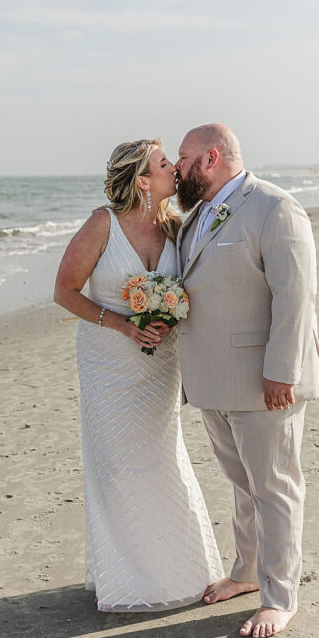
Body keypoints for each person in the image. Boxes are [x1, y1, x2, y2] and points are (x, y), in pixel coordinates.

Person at [174, 124, 319, 638]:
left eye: (184, 158)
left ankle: (280, 598)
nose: (177, 167)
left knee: (275, 488)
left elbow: (295, 296)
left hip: (266, 382)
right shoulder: (197, 214)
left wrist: (282, 371)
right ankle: (245, 572)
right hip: (213, 380)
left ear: (211, 158)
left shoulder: (275, 208)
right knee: (243, 484)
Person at [54, 138, 223, 611]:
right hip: (109, 363)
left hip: (159, 366)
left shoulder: (177, 228)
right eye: (166, 163)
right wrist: (123, 325)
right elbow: (64, 291)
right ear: (143, 181)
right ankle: (127, 578)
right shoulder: (101, 225)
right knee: (118, 464)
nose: (177, 168)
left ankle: (179, 571)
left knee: (162, 456)